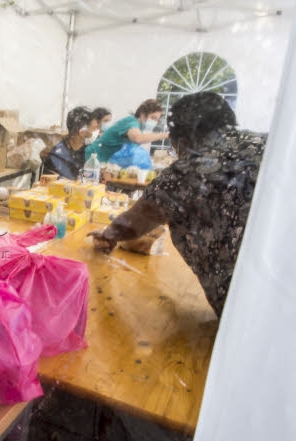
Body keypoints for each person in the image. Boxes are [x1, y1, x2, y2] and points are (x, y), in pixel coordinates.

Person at [88, 92, 266, 318]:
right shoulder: (269, 145)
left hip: (251, 315)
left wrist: (108, 234)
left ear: (182, 138)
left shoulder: (189, 171)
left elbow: (135, 220)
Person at [85, 99, 169, 163]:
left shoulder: (140, 128)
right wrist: (164, 135)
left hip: (107, 161)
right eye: (153, 118)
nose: (154, 122)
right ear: (143, 114)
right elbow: (137, 138)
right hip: (94, 159)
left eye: (157, 120)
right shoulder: (130, 121)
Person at [43, 107, 94, 180]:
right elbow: (51, 184)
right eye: (93, 127)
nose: (95, 131)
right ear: (80, 130)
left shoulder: (88, 150)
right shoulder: (58, 155)